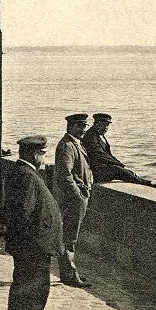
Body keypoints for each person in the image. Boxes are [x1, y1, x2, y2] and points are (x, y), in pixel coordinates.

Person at [0, 135, 64, 310]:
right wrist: (30, 246)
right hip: (33, 249)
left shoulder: (19, 171)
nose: (44, 159)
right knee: (34, 295)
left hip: (28, 248)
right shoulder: (27, 175)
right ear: (35, 155)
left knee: (24, 291)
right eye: (42, 154)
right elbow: (22, 214)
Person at [53, 113, 93, 287]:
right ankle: (70, 274)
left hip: (77, 197)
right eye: (80, 126)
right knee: (69, 237)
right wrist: (77, 194)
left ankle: (69, 271)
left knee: (71, 236)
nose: (83, 130)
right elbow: (64, 174)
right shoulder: (67, 146)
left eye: (84, 126)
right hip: (72, 199)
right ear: (70, 127)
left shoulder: (76, 144)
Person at [81, 113, 156, 189]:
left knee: (124, 171)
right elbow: (100, 154)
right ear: (96, 123)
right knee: (119, 171)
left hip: (101, 168)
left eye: (107, 125)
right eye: (103, 125)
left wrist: (120, 165)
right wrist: (120, 165)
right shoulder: (91, 136)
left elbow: (108, 155)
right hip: (94, 172)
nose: (105, 128)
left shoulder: (98, 135)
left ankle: (145, 182)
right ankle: (148, 184)